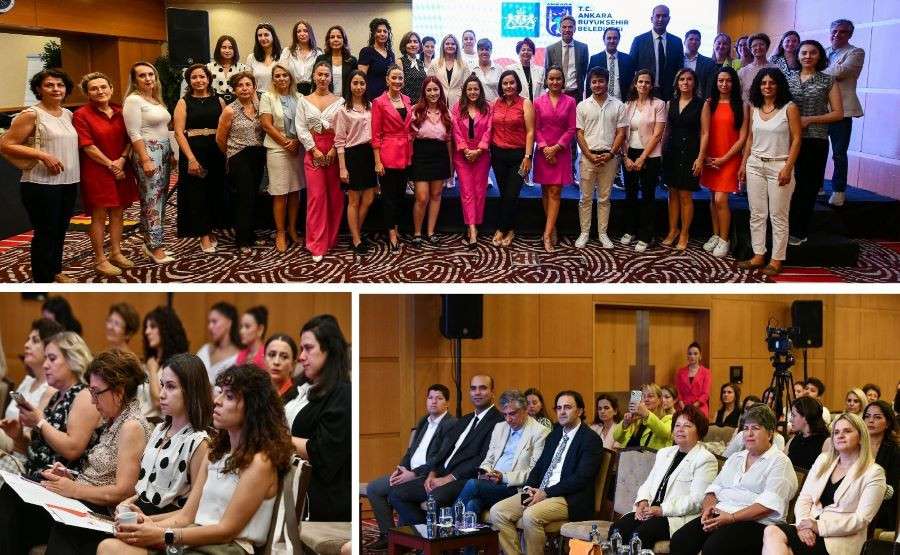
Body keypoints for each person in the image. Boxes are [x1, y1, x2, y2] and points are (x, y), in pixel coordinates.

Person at [97, 363, 293, 554]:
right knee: (109, 547)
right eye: (220, 392)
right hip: (196, 539)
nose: (217, 400)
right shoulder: (217, 453)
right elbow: (187, 515)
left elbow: (226, 530)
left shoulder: (259, 462)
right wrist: (147, 523)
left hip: (228, 548)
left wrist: (163, 535)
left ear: (253, 407)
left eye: (229, 396)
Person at [44, 352, 211, 554]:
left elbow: (189, 513)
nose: (161, 394)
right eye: (162, 385)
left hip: (160, 527)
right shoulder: (160, 430)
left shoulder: (199, 442)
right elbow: (141, 487)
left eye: (171, 387)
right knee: (65, 528)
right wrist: (126, 505)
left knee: (73, 536)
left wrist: (148, 522)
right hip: (135, 516)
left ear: (191, 391)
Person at [0, 349, 152, 553]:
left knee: (18, 508)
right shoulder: (114, 420)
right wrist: (70, 477)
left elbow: (124, 491)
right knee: (13, 494)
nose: (93, 400)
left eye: (96, 392)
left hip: (99, 512)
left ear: (119, 391)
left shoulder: (132, 426)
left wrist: (74, 489)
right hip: (82, 499)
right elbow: (102, 475)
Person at [669, 405, 799, 554]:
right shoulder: (736, 458)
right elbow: (713, 490)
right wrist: (707, 510)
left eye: (755, 428)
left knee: (714, 548)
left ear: (770, 434)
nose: (749, 433)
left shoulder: (780, 462)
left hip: (756, 523)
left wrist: (731, 517)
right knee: (680, 540)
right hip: (721, 514)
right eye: (746, 428)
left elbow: (766, 506)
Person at [490, 390, 604, 555]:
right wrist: (529, 487)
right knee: (498, 512)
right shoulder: (554, 435)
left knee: (530, 515)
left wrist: (546, 493)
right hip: (540, 492)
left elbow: (581, 478)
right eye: (559, 408)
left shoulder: (590, 439)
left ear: (579, 411)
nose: (562, 412)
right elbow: (539, 466)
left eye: (567, 407)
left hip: (568, 498)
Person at [763, 413, 886, 555]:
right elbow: (805, 498)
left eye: (847, 431)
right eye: (836, 432)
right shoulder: (823, 460)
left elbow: (861, 520)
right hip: (808, 528)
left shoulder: (874, 472)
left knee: (780, 544)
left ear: (860, 437)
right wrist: (804, 525)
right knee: (772, 531)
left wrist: (819, 527)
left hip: (840, 539)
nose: (840, 436)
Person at [0, 69, 79, 282]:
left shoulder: (68, 114)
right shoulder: (31, 114)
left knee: (60, 229)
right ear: (38, 89)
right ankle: (42, 279)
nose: (56, 89)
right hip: (40, 183)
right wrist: (42, 155)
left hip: (68, 181)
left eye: (60, 85)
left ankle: (55, 271)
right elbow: (6, 144)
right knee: (46, 232)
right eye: (49, 85)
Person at [389, 374, 502, 523]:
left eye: (483, 388)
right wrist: (432, 474)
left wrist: (448, 478)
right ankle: (425, 533)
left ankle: (433, 535)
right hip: (440, 474)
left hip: (463, 478)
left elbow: (482, 458)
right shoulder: (465, 419)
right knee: (396, 494)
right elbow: (443, 452)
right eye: (473, 388)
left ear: (492, 392)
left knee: (435, 498)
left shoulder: (498, 421)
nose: (477, 392)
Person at [610, 405, 717, 546]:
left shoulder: (705, 459)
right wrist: (643, 502)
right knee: (617, 529)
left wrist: (662, 510)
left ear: (699, 431)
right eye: (677, 425)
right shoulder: (664, 453)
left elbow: (697, 500)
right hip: (650, 510)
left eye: (687, 426)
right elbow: (648, 484)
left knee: (641, 534)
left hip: (674, 517)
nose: (680, 429)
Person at [365, 384, 456, 549]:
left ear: (447, 403)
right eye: (430, 398)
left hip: (427, 476)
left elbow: (440, 458)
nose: (433, 401)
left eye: (439, 398)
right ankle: (388, 535)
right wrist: (400, 469)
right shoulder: (423, 421)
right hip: (409, 472)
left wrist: (413, 474)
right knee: (374, 488)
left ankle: (421, 536)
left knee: (395, 493)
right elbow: (410, 451)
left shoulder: (451, 424)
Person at [0, 330, 98, 480]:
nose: (45, 365)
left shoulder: (85, 395)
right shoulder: (53, 395)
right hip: (31, 472)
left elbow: (72, 449)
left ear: (72, 360)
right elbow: (36, 452)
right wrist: (18, 436)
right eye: (45, 358)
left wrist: (40, 422)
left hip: (56, 482)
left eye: (52, 359)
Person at [285, 315, 351, 521]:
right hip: (287, 486)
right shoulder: (299, 386)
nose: (301, 356)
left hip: (319, 500)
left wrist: (274, 438)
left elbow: (322, 451)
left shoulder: (342, 393)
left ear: (329, 349)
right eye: (301, 349)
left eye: (308, 348)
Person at [73, 71, 138, 277]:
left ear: (111, 88)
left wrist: (122, 160)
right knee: (99, 215)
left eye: (103, 87)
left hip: (121, 167)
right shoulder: (81, 115)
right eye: (94, 89)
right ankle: (100, 259)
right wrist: (112, 165)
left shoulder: (121, 111)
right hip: (97, 170)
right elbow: (87, 146)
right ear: (87, 93)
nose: (100, 91)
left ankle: (116, 253)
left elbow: (131, 138)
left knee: (118, 212)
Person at [737, 68, 801, 277]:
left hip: (779, 166)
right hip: (755, 164)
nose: (767, 86)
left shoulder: (789, 108)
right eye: (763, 83)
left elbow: (797, 139)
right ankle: (758, 255)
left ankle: (776, 260)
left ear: (779, 85)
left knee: (778, 215)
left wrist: (788, 168)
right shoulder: (754, 107)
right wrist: (743, 164)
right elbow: (749, 138)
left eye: (772, 83)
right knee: (757, 213)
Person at [456, 389, 550, 520]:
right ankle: (466, 533)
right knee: (473, 503)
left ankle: (450, 523)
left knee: (472, 484)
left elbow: (534, 472)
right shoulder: (500, 427)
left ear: (524, 409)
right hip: (492, 483)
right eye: (505, 414)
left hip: (514, 487)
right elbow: (489, 459)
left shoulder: (540, 432)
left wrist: (503, 477)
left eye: (512, 414)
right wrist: (485, 472)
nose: (508, 419)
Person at [787, 39, 843, 246]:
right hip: (787, 139)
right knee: (786, 186)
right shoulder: (788, 78)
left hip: (815, 139)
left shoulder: (828, 80)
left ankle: (799, 231)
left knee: (807, 187)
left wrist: (809, 119)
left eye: (813, 52)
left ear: (820, 56)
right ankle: (782, 228)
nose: (808, 56)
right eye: (804, 52)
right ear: (798, 55)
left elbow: (838, 113)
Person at [123, 61, 175, 266]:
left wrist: (171, 152)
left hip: (164, 150)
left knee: (160, 198)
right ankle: (155, 247)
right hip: (148, 152)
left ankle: (150, 241)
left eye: (151, 74)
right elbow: (133, 133)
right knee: (152, 199)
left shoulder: (155, 99)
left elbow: (163, 128)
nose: (148, 78)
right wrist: (145, 159)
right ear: (135, 80)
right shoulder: (133, 100)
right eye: (142, 75)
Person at [173, 64, 226, 254]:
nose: (199, 80)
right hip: (194, 150)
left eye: (202, 76)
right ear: (189, 81)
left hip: (216, 149)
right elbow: (178, 133)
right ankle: (203, 235)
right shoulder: (183, 102)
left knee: (214, 191)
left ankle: (211, 229)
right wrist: (191, 158)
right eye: (194, 77)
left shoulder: (219, 100)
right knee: (197, 193)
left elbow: (225, 127)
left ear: (209, 79)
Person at [297, 62, 346, 261]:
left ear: (331, 78)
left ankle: (330, 239)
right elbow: (301, 127)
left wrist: (334, 149)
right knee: (316, 197)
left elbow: (343, 127)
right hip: (313, 149)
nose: (323, 78)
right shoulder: (304, 101)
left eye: (326, 75)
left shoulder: (340, 101)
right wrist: (313, 150)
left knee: (335, 196)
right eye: (320, 74)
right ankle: (316, 243)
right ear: (314, 76)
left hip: (335, 149)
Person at [574, 67, 627, 250]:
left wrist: (611, 153)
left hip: (609, 158)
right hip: (588, 157)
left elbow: (621, 133)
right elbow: (579, 133)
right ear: (589, 84)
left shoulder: (618, 105)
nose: (597, 85)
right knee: (585, 198)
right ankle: (584, 233)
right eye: (594, 81)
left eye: (601, 81)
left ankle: (603, 234)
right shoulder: (582, 106)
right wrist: (589, 154)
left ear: (607, 82)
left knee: (604, 198)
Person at [701, 65, 748, 258]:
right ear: (716, 83)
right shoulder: (709, 104)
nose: (724, 84)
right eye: (721, 80)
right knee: (713, 199)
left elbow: (743, 138)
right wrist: (705, 156)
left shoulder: (742, 106)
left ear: (734, 83)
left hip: (729, 158)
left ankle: (724, 239)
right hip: (711, 158)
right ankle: (715, 234)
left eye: (728, 80)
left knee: (721, 199)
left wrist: (724, 159)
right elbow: (704, 132)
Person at [0, 318, 64, 459]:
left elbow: (34, 440)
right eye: (28, 340)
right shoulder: (28, 381)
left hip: (21, 455)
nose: (26, 345)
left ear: (49, 348)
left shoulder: (52, 390)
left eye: (35, 341)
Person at [216, 71, 265, 254]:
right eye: (240, 85)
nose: (244, 88)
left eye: (248, 85)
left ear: (254, 87)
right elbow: (220, 138)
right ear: (234, 89)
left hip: (258, 154)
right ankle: (242, 240)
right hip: (238, 155)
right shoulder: (230, 110)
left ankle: (251, 234)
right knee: (244, 198)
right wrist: (231, 155)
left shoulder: (259, 106)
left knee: (253, 196)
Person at [259, 64, 304, 252]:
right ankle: (280, 232)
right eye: (277, 75)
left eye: (285, 75)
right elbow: (266, 125)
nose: (281, 78)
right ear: (273, 79)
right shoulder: (267, 97)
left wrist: (297, 143)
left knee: (295, 191)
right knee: (280, 192)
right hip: (277, 149)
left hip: (298, 149)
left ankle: (292, 229)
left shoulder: (300, 97)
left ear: (290, 77)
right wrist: (287, 143)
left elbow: (304, 124)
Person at [661, 68, 707, 250]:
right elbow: (667, 130)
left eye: (689, 79)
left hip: (691, 153)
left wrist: (700, 157)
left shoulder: (702, 104)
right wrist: (661, 153)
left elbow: (705, 133)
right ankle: (673, 230)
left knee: (685, 195)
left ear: (694, 83)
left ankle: (685, 233)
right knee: (672, 193)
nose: (685, 82)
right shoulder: (669, 103)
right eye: (682, 79)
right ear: (677, 82)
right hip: (672, 152)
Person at [621, 69, 666, 253]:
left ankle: (646, 235)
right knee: (630, 194)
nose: (643, 85)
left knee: (648, 195)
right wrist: (625, 156)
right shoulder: (628, 104)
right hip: (629, 153)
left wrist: (642, 158)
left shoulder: (659, 104)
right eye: (640, 81)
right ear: (635, 83)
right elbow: (621, 132)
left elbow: (657, 135)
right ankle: (630, 230)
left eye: (647, 82)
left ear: (652, 85)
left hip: (650, 155)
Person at [534, 66, 577, 252]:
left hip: (561, 152)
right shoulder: (537, 102)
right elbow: (535, 128)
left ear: (563, 81)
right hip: (543, 152)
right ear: (546, 81)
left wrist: (556, 148)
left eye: (558, 78)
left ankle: (546, 234)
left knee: (555, 192)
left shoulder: (570, 101)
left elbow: (572, 128)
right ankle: (552, 227)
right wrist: (545, 148)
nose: (555, 82)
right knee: (545, 191)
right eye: (551, 78)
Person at [490, 70, 535, 248]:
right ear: (501, 86)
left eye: (511, 82)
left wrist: (528, 156)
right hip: (498, 155)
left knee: (512, 193)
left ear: (517, 84)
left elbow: (531, 132)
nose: (508, 86)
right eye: (505, 83)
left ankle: (501, 229)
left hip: (519, 157)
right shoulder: (495, 103)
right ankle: (511, 229)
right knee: (505, 194)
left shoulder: (526, 103)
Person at [372, 64, 413, 251]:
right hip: (387, 154)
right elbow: (375, 135)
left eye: (400, 78)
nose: (397, 81)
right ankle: (391, 232)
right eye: (394, 78)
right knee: (388, 197)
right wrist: (377, 161)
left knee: (400, 196)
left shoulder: (407, 99)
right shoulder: (379, 102)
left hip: (405, 154)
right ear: (387, 80)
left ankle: (396, 226)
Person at [824, 19, 865, 207]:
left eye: (842, 32)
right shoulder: (823, 51)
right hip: (820, 110)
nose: (837, 34)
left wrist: (815, 70)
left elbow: (841, 71)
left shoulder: (856, 52)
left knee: (839, 153)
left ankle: (839, 190)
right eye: (834, 31)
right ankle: (817, 186)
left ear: (850, 34)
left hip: (842, 111)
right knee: (818, 151)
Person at [335, 70, 377, 253]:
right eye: (355, 83)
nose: (359, 87)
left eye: (362, 83)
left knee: (368, 198)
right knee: (354, 200)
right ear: (349, 85)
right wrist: (342, 168)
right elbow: (339, 141)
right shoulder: (343, 110)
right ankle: (356, 239)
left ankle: (356, 231)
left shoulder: (371, 106)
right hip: (353, 155)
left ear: (366, 85)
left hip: (369, 155)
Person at [409, 76, 453, 243]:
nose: (433, 93)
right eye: (429, 90)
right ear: (424, 92)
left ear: (440, 91)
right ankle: (417, 233)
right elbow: (410, 139)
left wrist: (450, 164)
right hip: (420, 155)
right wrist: (409, 161)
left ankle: (430, 232)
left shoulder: (446, 112)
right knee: (422, 197)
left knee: (436, 195)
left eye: (436, 89)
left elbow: (449, 140)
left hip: (440, 155)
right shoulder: (416, 110)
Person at [453, 74, 493, 248]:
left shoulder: (488, 108)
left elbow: (489, 130)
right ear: (465, 91)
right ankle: (472, 229)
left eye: (476, 89)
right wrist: (465, 149)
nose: (472, 92)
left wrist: (479, 150)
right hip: (462, 155)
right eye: (469, 89)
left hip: (482, 155)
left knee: (479, 191)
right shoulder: (457, 107)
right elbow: (455, 131)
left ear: (480, 90)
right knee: (467, 191)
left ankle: (475, 223)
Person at [629, 4, 684, 101]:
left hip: (670, 94)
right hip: (645, 92)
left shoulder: (677, 42)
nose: (660, 19)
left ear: (669, 19)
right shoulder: (639, 41)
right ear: (652, 18)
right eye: (658, 16)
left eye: (664, 16)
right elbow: (631, 67)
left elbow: (680, 69)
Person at [141, 306, 189, 418]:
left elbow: (159, 403)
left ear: (166, 329)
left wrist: (152, 371)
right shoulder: (151, 361)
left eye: (153, 327)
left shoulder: (179, 363)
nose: (147, 332)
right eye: (146, 327)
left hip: (160, 423)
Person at [863, 400, 899, 531]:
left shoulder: (894, 451)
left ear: (888, 423)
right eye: (867, 416)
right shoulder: (855, 445)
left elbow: (892, 490)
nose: (871, 421)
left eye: (877, 417)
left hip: (881, 507)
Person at [614, 383, 673, 449]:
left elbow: (665, 433)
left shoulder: (668, 418)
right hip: (627, 454)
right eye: (643, 396)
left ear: (659, 400)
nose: (646, 399)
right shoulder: (636, 418)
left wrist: (647, 414)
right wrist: (625, 424)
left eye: (650, 396)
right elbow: (616, 437)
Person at [544, 15, 589, 102]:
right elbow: (547, 72)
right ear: (560, 29)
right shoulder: (550, 49)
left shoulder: (583, 48)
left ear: (574, 29)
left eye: (570, 27)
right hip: (556, 93)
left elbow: (583, 72)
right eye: (564, 27)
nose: (567, 30)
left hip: (575, 94)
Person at [196, 301, 240, 384]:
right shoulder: (205, 350)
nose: (210, 327)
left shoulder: (237, 358)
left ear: (229, 323)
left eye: (214, 321)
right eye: (209, 322)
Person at [586, 27, 634, 101]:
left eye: (615, 38)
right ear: (604, 40)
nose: (612, 41)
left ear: (619, 40)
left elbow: (632, 84)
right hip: (601, 102)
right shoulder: (595, 59)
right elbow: (589, 84)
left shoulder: (628, 59)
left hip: (623, 102)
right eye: (609, 38)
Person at [785, 396, 830, 470]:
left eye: (793, 415)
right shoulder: (793, 440)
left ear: (806, 416)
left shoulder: (826, 443)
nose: (790, 420)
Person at [315, 25, 358, 99]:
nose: (335, 39)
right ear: (328, 41)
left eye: (339, 37)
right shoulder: (321, 59)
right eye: (332, 37)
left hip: (346, 100)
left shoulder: (352, 60)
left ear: (344, 40)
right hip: (326, 99)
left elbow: (355, 82)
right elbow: (315, 81)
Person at [202, 35, 249, 104]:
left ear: (235, 50)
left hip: (237, 103)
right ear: (218, 49)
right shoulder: (208, 67)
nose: (227, 51)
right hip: (214, 103)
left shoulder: (242, 68)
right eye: (224, 47)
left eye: (230, 48)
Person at [359, 18, 395, 101]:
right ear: (374, 34)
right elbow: (361, 78)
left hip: (388, 97)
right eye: (379, 31)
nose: (382, 34)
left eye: (385, 31)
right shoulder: (366, 51)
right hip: (371, 97)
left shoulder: (391, 54)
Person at [282, 19, 322, 95]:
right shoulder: (287, 51)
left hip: (312, 92)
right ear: (295, 35)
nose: (302, 34)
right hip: (291, 91)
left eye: (305, 31)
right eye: (299, 31)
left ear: (310, 33)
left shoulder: (318, 53)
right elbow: (282, 72)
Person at [428, 34, 468, 109]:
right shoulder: (434, 63)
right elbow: (429, 84)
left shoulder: (464, 64)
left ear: (457, 46)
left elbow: (466, 86)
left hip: (458, 102)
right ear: (443, 46)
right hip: (438, 100)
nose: (450, 46)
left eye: (453, 44)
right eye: (447, 44)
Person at [674, 342, 712, 416]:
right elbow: (678, 391)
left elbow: (705, 394)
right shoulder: (680, 372)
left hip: (699, 407)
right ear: (687, 356)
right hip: (683, 407)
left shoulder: (706, 372)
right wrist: (683, 406)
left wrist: (693, 407)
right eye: (690, 354)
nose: (692, 356)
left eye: (695, 354)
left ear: (700, 356)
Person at [263, 333, 299, 403]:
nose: (276, 362)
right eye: (272, 355)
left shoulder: (299, 397)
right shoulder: (256, 392)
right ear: (264, 360)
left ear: (293, 364)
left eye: (284, 357)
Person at [738, 34, 775, 102]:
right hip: (748, 108)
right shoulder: (743, 72)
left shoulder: (775, 69)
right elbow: (739, 96)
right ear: (750, 49)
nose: (758, 48)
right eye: (754, 45)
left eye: (762, 44)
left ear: (767, 47)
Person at [246, 23, 281, 93]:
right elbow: (248, 82)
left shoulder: (283, 56)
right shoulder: (251, 58)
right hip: (258, 96)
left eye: (266, 35)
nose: (263, 38)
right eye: (260, 35)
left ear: (273, 36)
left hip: (278, 95)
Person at [510, 38, 545, 104]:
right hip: (518, 105)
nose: (526, 52)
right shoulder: (510, 69)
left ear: (532, 53)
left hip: (537, 106)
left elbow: (542, 91)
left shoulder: (541, 70)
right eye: (523, 50)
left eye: (529, 50)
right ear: (518, 52)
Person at [683, 30, 717, 96]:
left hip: (700, 100)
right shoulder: (677, 60)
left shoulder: (709, 63)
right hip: (679, 99)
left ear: (700, 43)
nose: (694, 42)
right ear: (684, 42)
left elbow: (710, 86)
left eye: (697, 40)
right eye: (691, 39)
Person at [399, 31, 427, 102]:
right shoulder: (400, 62)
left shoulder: (421, 63)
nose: (412, 45)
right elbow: (399, 86)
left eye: (415, 42)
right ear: (404, 45)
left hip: (421, 102)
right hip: (406, 102)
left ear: (419, 45)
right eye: (409, 42)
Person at [471, 38, 501, 102]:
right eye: (481, 49)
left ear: (491, 51)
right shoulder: (471, 68)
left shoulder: (499, 69)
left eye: (487, 49)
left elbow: (504, 90)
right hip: (476, 105)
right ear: (477, 51)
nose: (484, 52)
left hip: (495, 105)